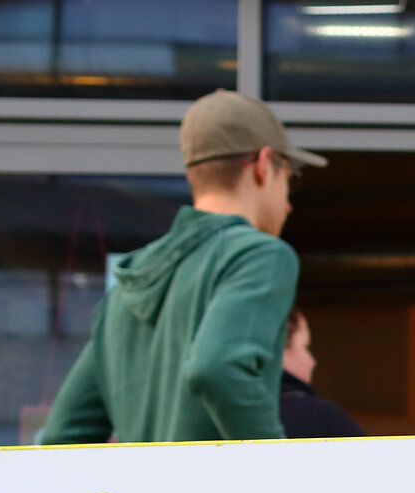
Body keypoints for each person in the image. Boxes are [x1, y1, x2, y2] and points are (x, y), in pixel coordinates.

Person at [38, 90, 324, 444]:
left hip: (145, 483)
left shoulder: (129, 284)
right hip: (221, 483)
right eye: (290, 178)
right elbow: (217, 368)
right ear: (264, 165)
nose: (289, 203)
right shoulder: (260, 256)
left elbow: (62, 435)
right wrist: (276, 464)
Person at [277, 308, 364, 439]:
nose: (312, 361)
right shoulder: (320, 417)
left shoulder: (246, 413)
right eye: (306, 347)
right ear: (280, 346)